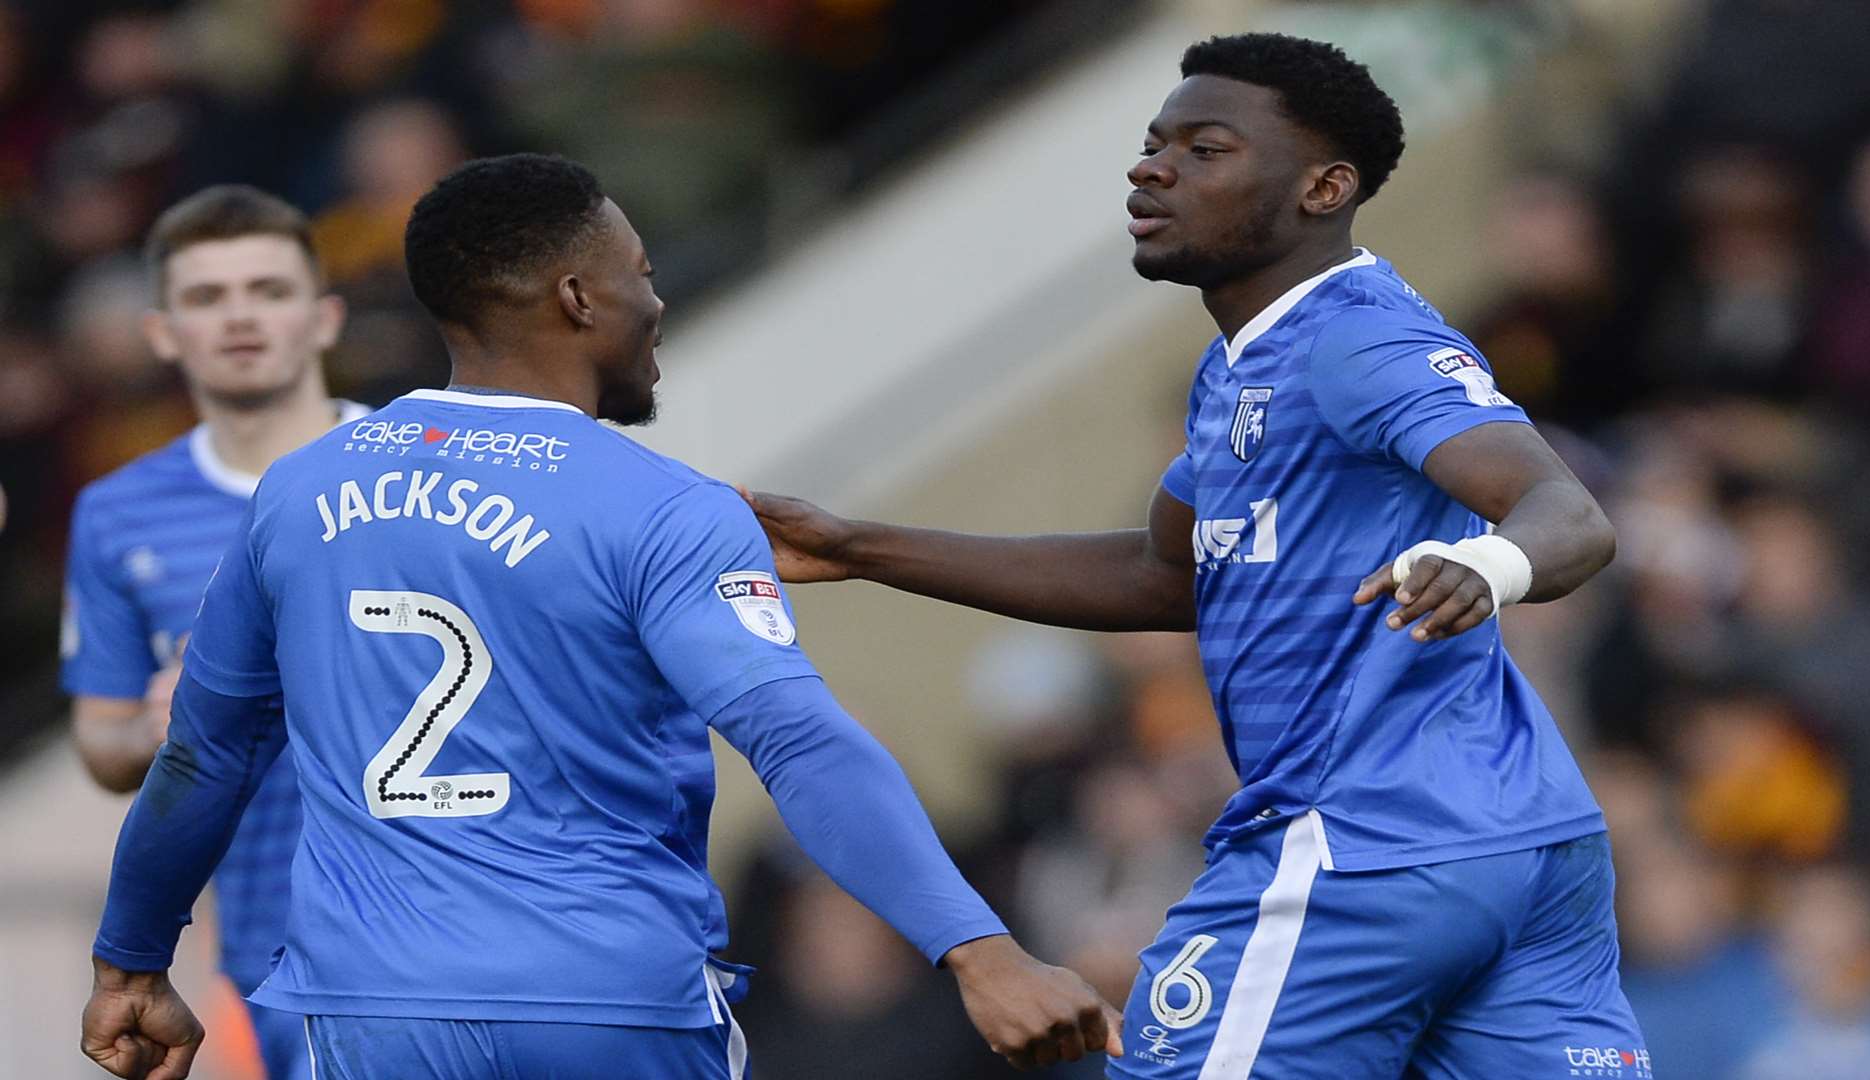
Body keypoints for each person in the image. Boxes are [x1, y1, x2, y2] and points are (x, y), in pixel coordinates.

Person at [79, 154, 1118, 1080]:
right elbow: (795, 741)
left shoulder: (298, 497)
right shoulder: (664, 507)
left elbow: (201, 760)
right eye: (643, 274)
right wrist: (981, 951)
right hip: (609, 1004)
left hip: (375, 1012)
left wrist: (131, 962)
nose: (654, 302)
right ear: (579, 296)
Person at [747, 33, 1646, 1079]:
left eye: (1205, 149)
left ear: (1324, 186)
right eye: (1152, 144)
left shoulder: (1355, 339)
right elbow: (1159, 575)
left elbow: (1567, 511)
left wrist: (1490, 566)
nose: (1153, 168)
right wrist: (856, 546)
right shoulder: (1245, 366)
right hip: (1519, 840)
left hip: (1360, 840)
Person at [63, 184, 367, 1080]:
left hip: (462, 911)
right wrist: (170, 723)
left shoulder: (418, 467)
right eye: (206, 297)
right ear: (163, 332)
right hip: (276, 949)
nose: (240, 316)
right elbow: (101, 744)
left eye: (268, 291)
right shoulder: (119, 513)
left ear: (324, 317)